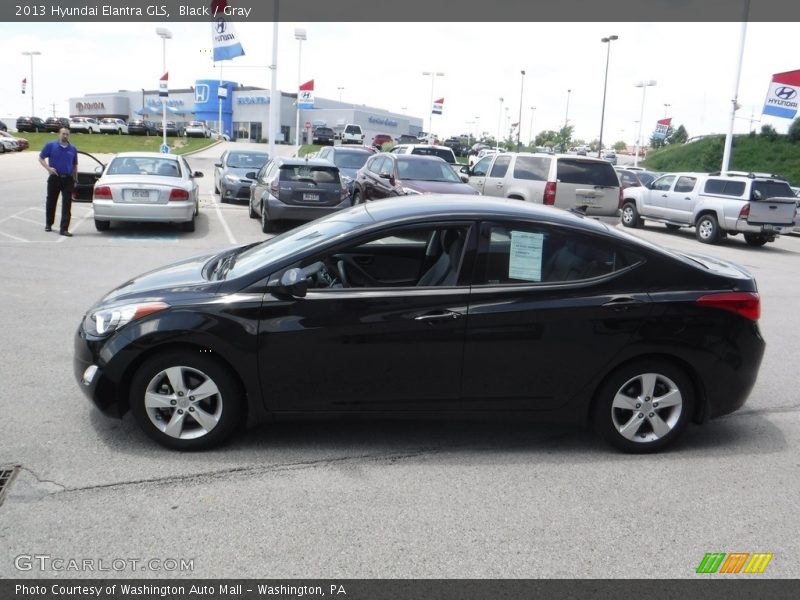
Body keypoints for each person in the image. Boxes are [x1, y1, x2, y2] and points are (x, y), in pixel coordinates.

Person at [38, 127, 78, 236]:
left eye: (67, 134)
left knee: (67, 204)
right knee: (51, 201)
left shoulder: (73, 148)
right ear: (59, 134)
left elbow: (74, 165)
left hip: (68, 179)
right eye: (63, 134)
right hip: (55, 178)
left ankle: (64, 229)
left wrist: (75, 179)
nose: (65, 136)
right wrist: (48, 168)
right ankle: (48, 224)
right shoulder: (51, 146)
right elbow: (41, 158)